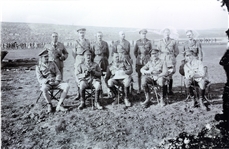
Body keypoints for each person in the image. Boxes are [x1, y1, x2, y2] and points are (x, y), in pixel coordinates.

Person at [158, 28, 179, 95]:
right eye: (165, 33)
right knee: (163, 74)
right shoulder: (160, 41)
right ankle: (164, 90)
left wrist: (172, 57)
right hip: (162, 60)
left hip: (170, 60)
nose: (166, 34)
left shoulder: (173, 41)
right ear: (163, 34)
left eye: (168, 33)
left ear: (169, 33)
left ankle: (169, 90)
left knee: (170, 75)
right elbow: (158, 51)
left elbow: (176, 51)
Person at [72, 28, 91, 99]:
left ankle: (84, 91)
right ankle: (78, 93)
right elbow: (74, 53)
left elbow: (90, 51)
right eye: (80, 33)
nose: (82, 34)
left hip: (86, 60)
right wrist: (78, 60)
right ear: (78, 34)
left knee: (87, 75)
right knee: (78, 76)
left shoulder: (88, 41)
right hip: (79, 59)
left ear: (85, 33)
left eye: (83, 33)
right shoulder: (76, 42)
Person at [134, 29, 152, 94]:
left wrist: (147, 58)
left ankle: (147, 89)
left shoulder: (149, 42)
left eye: (145, 34)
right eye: (142, 34)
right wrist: (139, 57)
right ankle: (139, 88)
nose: (144, 35)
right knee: (139, 75)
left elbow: (151, 51)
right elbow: (135, 52)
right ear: (140, 34)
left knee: (147, 74)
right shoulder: (137, 42)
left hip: (147, 60)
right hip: (139, 60)